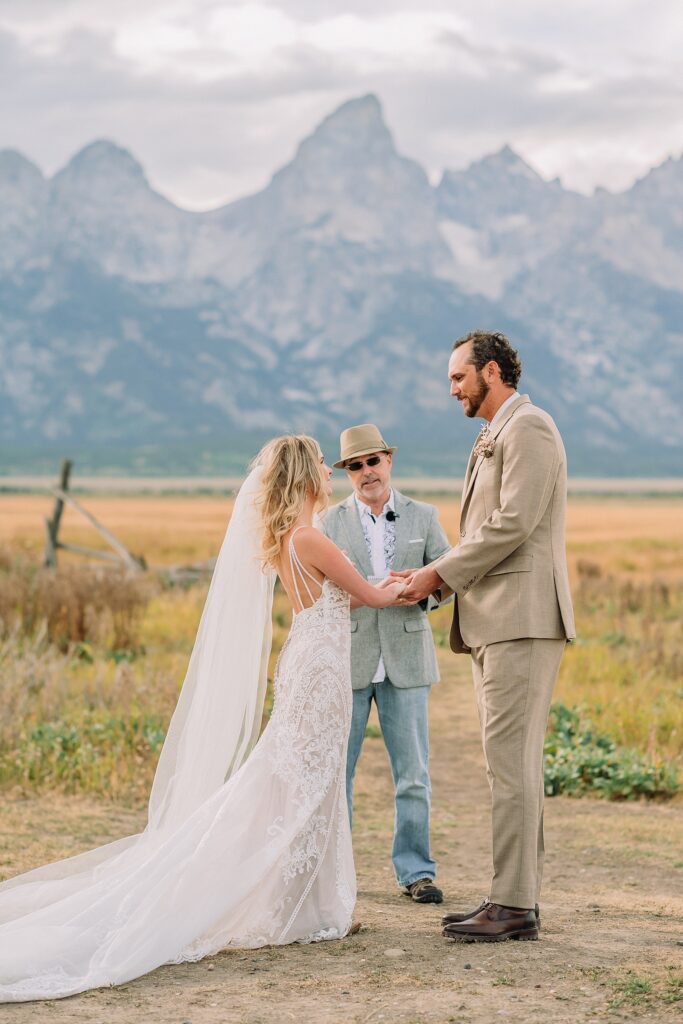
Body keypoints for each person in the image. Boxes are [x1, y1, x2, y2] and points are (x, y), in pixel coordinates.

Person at [0, 435, 406, 1002]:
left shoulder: (291, 538)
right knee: (307, 783)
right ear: (302, 475)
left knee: (301, 781)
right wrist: (423, 578)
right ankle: (302, 906)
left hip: (310, 660)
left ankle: (306, 904)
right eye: (320, 462)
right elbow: (370, 594)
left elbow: (349, 596)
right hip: (321, 670)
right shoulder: (311, 536)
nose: (328, 469)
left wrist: (380, 588)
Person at [394, 331, 575, 943]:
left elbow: (513, 523)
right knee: (508, 766)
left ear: (491, 371)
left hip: (522, 619)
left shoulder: (530, 429)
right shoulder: (493, 433)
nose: (452, 390)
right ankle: (514, 897)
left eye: (458, 378)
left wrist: (435, 573)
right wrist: (435, 586)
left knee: (511, 765)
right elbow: (488, 532)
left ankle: (514, 904)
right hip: (495, 619)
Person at [321, 423, 450, 904]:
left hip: (408, 659)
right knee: (339, 775)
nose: (365, 472)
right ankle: (339, 876)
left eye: (372, 461)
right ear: (346, 474)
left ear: (388, 461)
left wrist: (421, 593)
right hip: (348, 661)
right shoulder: (326, 524)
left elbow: (450, 576)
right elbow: (317, 591)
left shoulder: (425, 515)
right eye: (354, 466)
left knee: (413, 773)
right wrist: (366, 596)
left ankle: (416, 871)